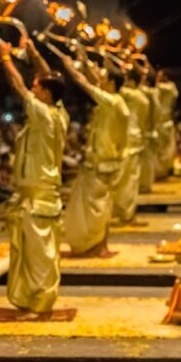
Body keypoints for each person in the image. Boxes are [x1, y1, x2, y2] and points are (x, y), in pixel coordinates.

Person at [0, 38, 69, 313]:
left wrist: (6, 58)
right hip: (37, 194)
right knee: (31, 252)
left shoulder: (44, 115)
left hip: (39, 196)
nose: (32, 88)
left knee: (40, 255)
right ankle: (32, 297)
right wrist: (34, 53)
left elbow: (17, 86)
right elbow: (48, 75)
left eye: (37, 87)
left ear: (47, 94)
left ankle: (41, 300)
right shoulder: (59, 111)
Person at [55, 47, 129, 257]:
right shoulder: (115, 100)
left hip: (102, 163)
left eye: (105, 78)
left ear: (112, 83)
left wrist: (70, 68)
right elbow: (95, 81)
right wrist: (85, 61)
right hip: (103, 161)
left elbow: (87, 85)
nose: (101, 79)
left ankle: (96, 246)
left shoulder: (112, 102)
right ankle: (97, 246)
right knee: (98, 207)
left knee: (97, 209)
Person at [112, 67, 149, 225]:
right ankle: (126, 212)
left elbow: (112, 85)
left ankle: (125, 213)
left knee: (124, 180)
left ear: (132, 82)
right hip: (135, 140)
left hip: (129, 141)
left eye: (127, 80)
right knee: (129, 180)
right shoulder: (143, 96)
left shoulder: (132, 95)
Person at [155, 69, 179, 178]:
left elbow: (162, 88)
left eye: (160, 76)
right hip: (157, 121)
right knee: (158, 149)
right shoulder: (157, 88)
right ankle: (158, 173)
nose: (158, 77)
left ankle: (163, 172)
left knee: (166, 149)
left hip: (166, 121)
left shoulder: (171, 87)